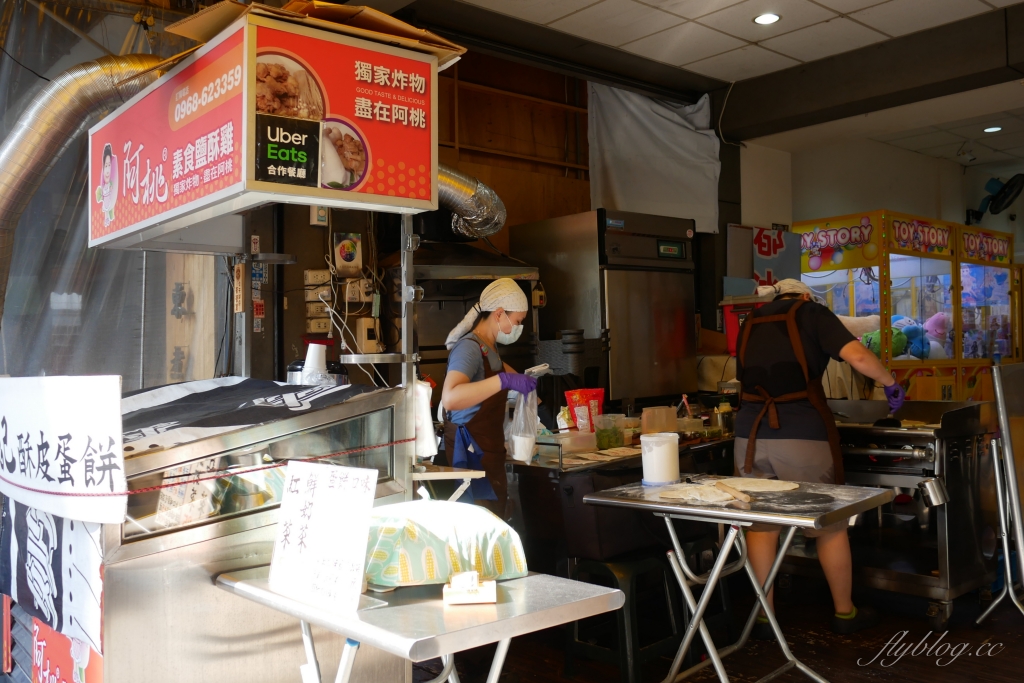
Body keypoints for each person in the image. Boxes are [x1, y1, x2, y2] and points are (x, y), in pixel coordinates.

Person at [734, 278, 905, 637]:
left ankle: (764, 615)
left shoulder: (751, 321)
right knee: (828, 524)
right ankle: (845, 613)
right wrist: (889, 382)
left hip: (749, 436)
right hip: (800, 433)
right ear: (806, 296)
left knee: (762, 526)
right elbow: (857, 355)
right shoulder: (811, 312)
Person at [441, 279, 536, 516]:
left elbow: (500, 373)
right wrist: (505, 381)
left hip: (488, 451)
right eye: (517, 321)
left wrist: (528, 385)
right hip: (471, 455)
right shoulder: (469, 348)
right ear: (499, 314)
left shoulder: (488, 347)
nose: (518, 327)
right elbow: (451, 397)